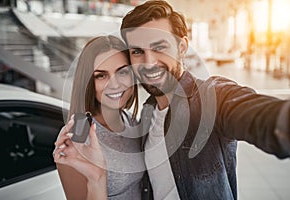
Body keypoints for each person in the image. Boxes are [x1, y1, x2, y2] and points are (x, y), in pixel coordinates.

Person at [120, 1, 290, 199]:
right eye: (137, 51)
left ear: (182, 48)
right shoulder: (148, 111)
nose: (148, 63)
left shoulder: (212, 98)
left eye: (159, 47)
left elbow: (261, 118)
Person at [53, 35, 145, 200]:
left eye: (122, 72)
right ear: (88, 82)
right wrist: (98, 176)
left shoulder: (131, 120)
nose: (115, 84)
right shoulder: (78, 135)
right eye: (101, 76)